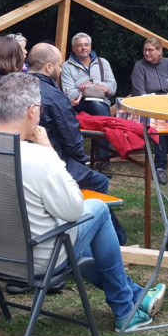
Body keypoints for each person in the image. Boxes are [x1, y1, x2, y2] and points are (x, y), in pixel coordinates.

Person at [0, 73, 165, 332]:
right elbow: (73, 209)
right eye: (39, 109)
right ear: (31, 111)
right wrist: (50, 151)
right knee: (97, 211)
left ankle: (133, 296)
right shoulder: (39, 158)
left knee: (79, 235)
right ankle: (125, 309)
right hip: (33, 257)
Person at [27, 43, 124, 243]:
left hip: (22, 155)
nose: (61, 70)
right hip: (51, 160)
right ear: (48, 67)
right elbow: (71, 137)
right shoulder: (53, 96)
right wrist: (81, 160)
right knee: (99, 181)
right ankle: (98, 233)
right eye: (59, 65)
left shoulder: (15, 84)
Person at [129, 37, 168, 184]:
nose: (147, 53)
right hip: (148, 108)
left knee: (163, 122)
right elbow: (138, 93)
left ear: (160, 51)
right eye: (145, 50)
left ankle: (160, 167)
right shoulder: (139, 66)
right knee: (160, 124)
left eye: (150, 50)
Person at [60, 32, 117, 116]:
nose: (83, 48)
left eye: (86, 45)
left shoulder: (103, 63)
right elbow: (69, 94)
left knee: (99, 106)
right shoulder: (66, 66)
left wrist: (92, 82)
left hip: (103, 103)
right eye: (79, 45)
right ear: (73, 48)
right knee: (95, 105)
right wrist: (93, 89)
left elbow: (112, 88)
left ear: (90, 46)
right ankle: (109, 124)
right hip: (80, 104)